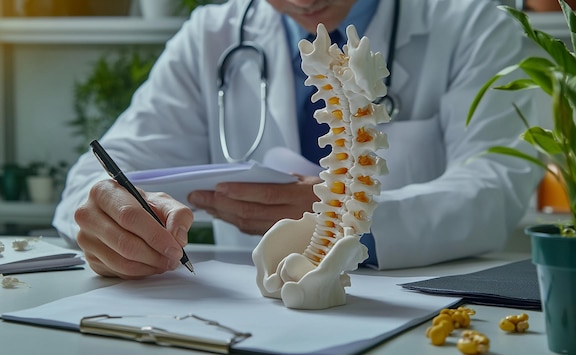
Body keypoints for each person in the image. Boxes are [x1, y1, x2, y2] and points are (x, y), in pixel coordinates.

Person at [53, 0, 542, 279]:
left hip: (415, 320)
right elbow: (94, 177)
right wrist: (108, 219)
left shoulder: (473, 24)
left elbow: (496, 184)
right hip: (255, 319)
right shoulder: (210, 38)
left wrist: (347, 219)